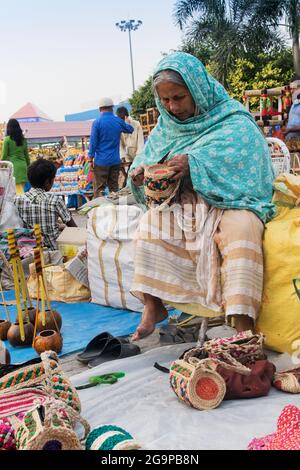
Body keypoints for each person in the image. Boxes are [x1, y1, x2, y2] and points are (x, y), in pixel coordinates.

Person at [129, 52, 275, 341]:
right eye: (165, 100)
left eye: (179, 97)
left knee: (242, 231)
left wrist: (193, 165)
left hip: (233, 199)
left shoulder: (234, 120)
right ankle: (153, 304)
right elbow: (144, 159)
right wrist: (139, 173)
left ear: (197, 90)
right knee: (149, 227)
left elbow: (250, 163)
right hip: (186, 204)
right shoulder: (166, 126)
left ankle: (243, 323)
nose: (172, 107)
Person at [14, 159, 77, 251]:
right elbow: (73, 227)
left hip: (29, 251)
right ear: (48, 181)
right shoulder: (55, 200)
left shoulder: (17, 200)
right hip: (54, 250)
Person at [88, 98, 134, 197]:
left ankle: (100, 211)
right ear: (112, 108)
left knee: (100, 189)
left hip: (101, 162)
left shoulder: (97, 122)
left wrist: (90, 159)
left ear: (100, 109)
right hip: (115, 161)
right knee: (114, 189)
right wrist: (127, 122)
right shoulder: (118, 121)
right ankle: (114, 211)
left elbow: (93, 142)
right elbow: (130, 129)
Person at [1, 119, 30, 195]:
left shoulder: (7, 140)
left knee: (17, 193)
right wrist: (29, 167)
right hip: (23, 167)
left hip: (13, 168)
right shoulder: (23, 140)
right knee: (22, 190)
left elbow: (4, 156)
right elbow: (27, 156)